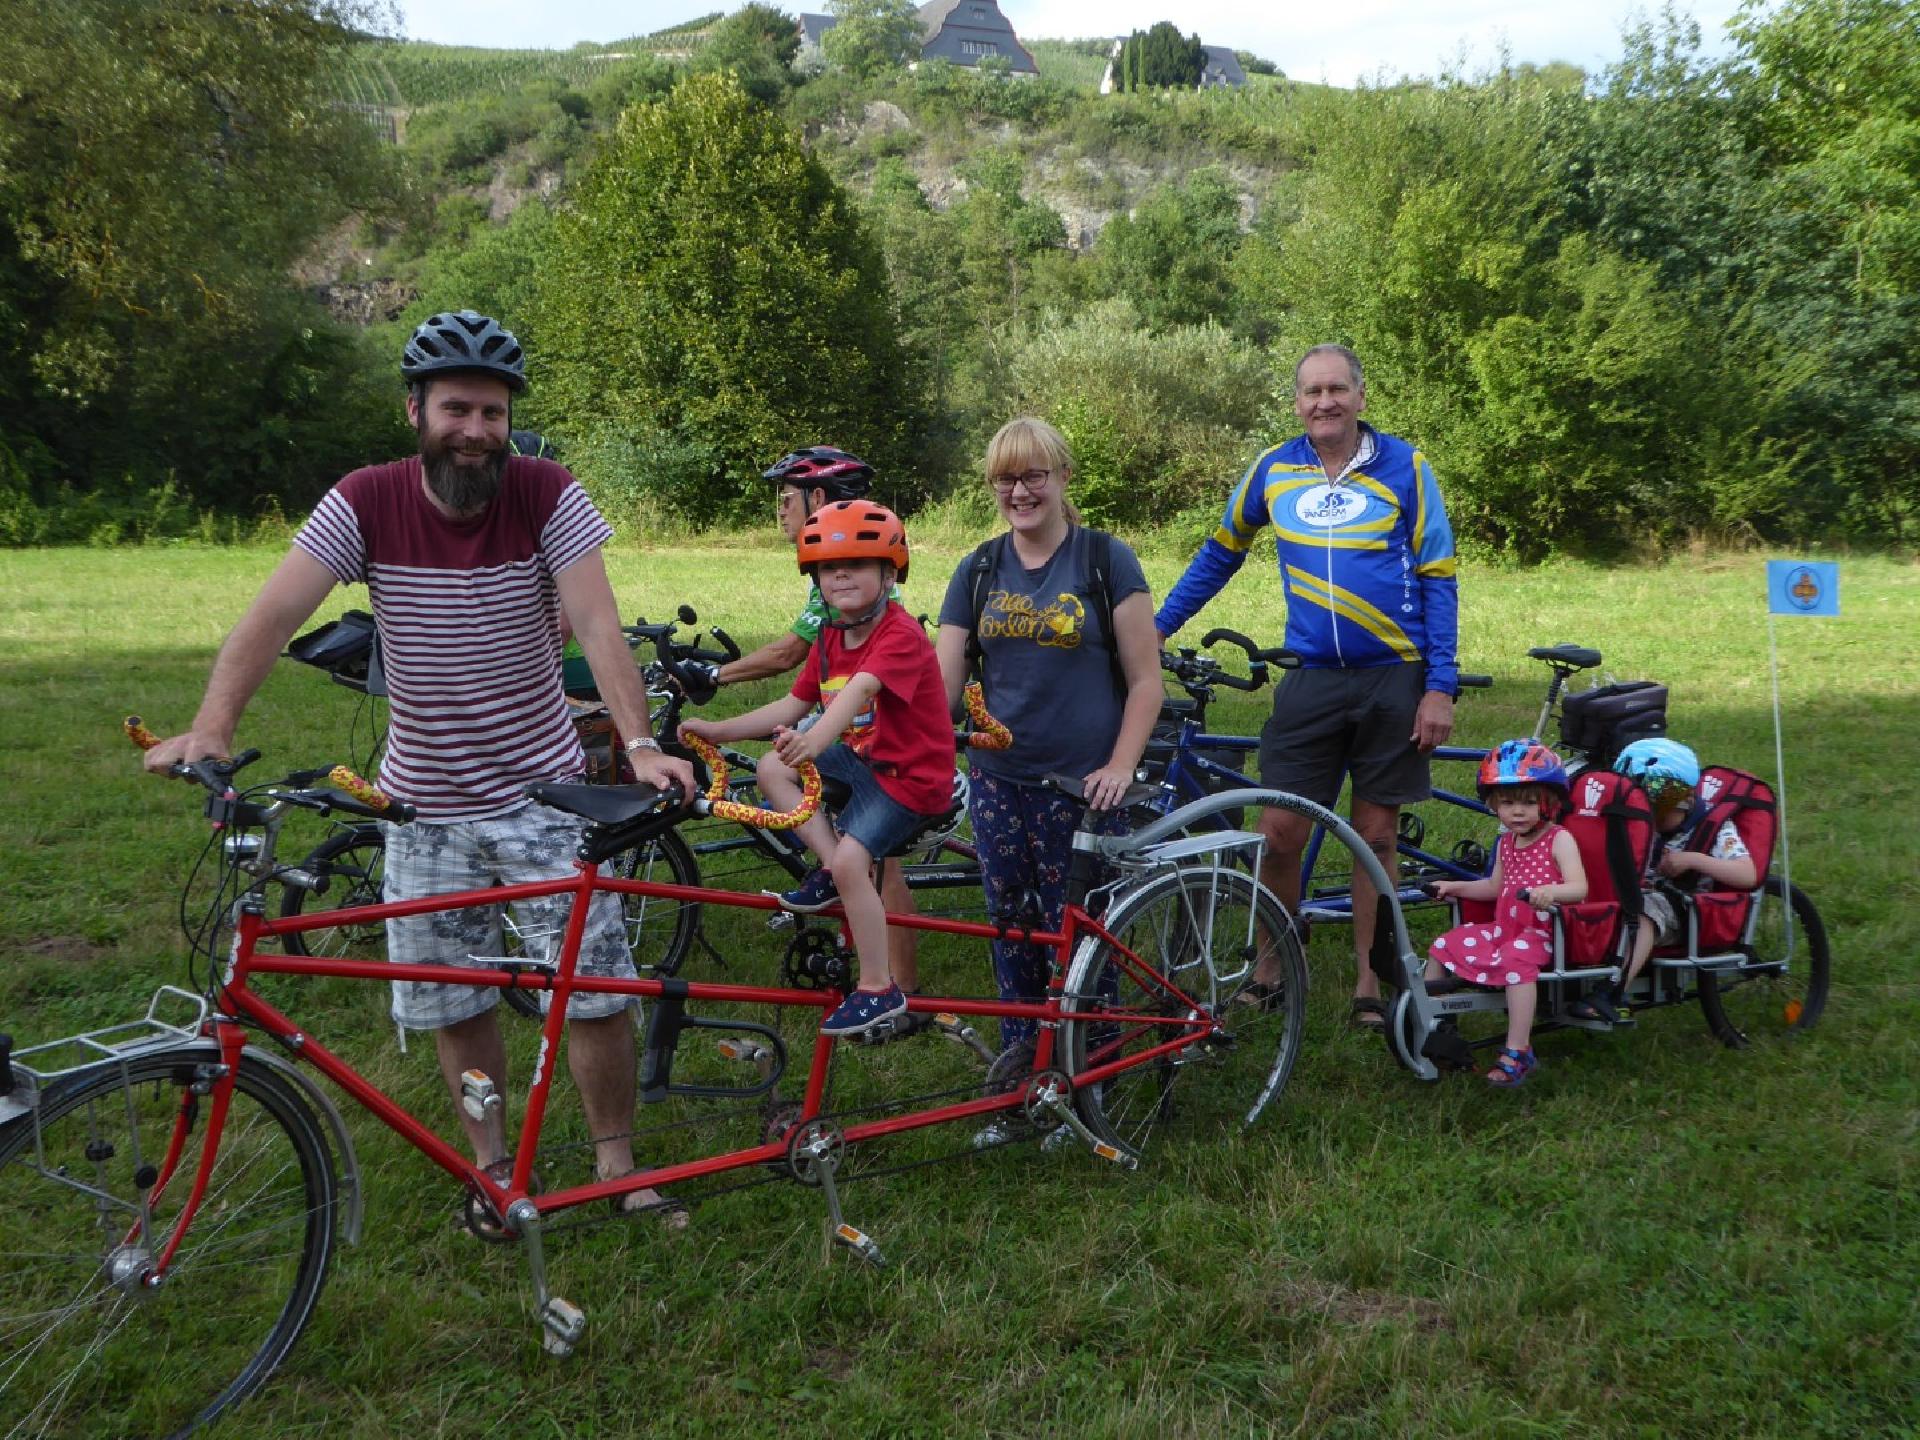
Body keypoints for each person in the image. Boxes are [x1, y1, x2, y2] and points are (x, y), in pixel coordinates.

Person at [141, 309, 697, 1223]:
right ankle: (490, 1167)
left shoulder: (547, 493)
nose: (475, 431)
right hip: (423, 809)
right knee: (451, 1002)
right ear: (416, 411)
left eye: (492, 412)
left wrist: (637, 743)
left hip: (543, 800)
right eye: (456, 409)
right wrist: (211, 725)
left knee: (594, 989)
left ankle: (613, 1165)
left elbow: (599, 625)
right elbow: (272, 615)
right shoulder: (366, 499)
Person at [1154, 344, 1460, 1032]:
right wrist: (1156, 627)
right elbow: (1219, 553)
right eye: (1311, 392)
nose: (1324, 402)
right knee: (1278, 832)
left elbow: (1440, 576)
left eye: (1336, 390)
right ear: (1296, 402)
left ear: (1360, 396)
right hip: (1312, 679)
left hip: (1393, 676)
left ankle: (1369, 981)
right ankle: (1271, 966)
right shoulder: (1274, 469)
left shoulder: (1406, 467)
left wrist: (1439, 687)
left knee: (1375, 835)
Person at [933, 417, 1162, 1068]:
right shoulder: (977, 569)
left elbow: (1147, 682)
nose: (1021, 491)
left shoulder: (1104, 559)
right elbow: (942, 688)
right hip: (998, 781)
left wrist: (1121, 766)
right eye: (1006, 478)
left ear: (1062, 477)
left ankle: (1090, 1074)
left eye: (1034, 475)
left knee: (1086, 934)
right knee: (1012, 929)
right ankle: (1022, 1068)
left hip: (1085, 787)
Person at [678, 502, 955, 1037]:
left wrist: (810, 741)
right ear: (816, 580)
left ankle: (879, 987)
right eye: (829, 568)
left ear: (890, 573)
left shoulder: (898, 635)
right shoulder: (829, 638)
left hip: (909, 778)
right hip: (861, 760)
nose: (842, 574)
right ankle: (829, 868)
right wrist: (719, 729)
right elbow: (790, 706)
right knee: (769, 771)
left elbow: (857, 694)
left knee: (858, 862)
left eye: (857, 563)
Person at [1426, 741, 1588, 1088]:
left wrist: (1550, 892)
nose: (1518, 812)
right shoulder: (1506, 844)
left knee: (1516, 962)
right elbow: (1492, 888)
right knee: (1443, 944)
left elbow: (1579, 888)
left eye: (1529, 802)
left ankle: (1518, 1050)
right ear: (1494, 805)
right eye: (1508, 802)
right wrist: (1453, 887)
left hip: (1542, 935)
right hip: (1505, 930)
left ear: (1549, 802)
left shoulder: (1559, 839)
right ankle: (1435, 1022)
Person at [1571, 738, 1756, 1023]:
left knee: (1644, 912)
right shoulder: (1649, 824)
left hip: (1684, 909)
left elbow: (1748, 874)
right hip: (1638, 894)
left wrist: (1691, 860)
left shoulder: (1715, 828)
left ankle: (1614, 990)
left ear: (1685, 801)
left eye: (1656, 812)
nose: (1650, 820)